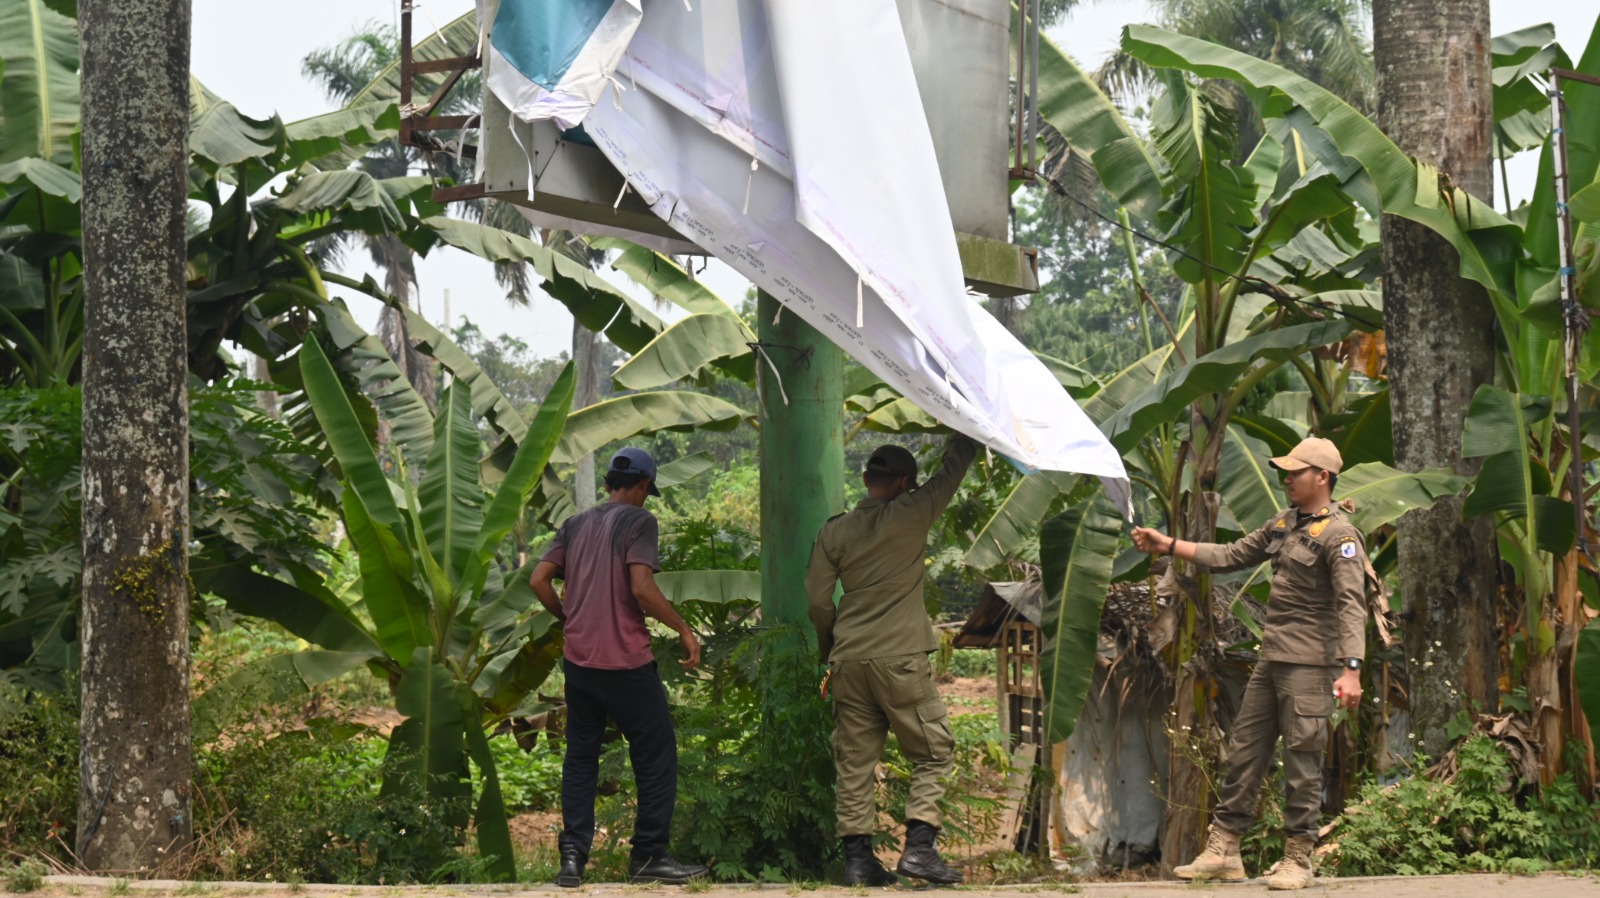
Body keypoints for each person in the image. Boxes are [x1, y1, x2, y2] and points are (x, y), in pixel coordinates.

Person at [1131, 436, 1367, 891]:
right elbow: (1229, 555)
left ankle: (1298, 858)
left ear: (1322, 477)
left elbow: (1351, 605)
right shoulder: (1283, 523)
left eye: (1296, 472)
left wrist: (1351, 668)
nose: (1287, 479)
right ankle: (1224, 851)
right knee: (1244, 752)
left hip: (1310, 665)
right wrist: (1169, 545)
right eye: (1285, 471)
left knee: (1302, 759)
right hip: (1273, 658)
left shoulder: (1339, 536)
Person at [806, 433, 979, 886]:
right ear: (904, 483)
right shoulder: (914, 511)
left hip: (848, 662)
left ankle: (859, 864)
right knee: (934, 752)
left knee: (855, 764)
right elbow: (951, 472)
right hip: (900, 658)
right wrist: (967, 431)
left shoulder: (834, 530)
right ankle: (920, 850)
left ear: (866, 480)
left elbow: (818, 602)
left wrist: (832, 651)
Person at [529, 447, 707, 888]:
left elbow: (538, 579)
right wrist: (684, 629)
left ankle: (572, 860)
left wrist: (569, 618)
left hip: (580, 663)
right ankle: (648, 858)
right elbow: (642, 587)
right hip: (626, 661)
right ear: (644, 485)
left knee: (581, 758)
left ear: (609, 482)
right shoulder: (640, 521)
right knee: (656, 754)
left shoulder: (575, 524)